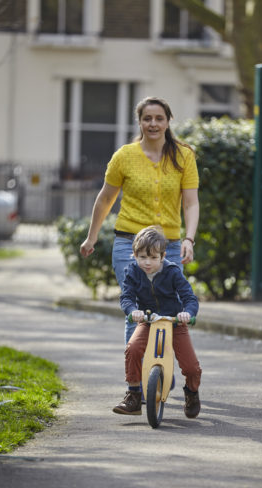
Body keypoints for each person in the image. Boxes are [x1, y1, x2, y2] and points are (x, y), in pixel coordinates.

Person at [80, 96, 199, 343]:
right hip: (129, 244)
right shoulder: (124, 156)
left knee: (168, 309)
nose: (153, 124)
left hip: (168, 247)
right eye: (147, 119)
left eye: (159, 118)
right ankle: (135, 376)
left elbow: (190, 202)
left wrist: (189, 238)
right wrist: (91, 238)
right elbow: (105, 200)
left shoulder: (184, 156)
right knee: (135, 311)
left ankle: (160, 368)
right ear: (140, 122)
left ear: (168, 122)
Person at [112, 225, 202, 418]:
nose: (147, 263)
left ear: (162, 256)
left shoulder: (172, 272)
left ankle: (192, 393)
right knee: (133, 348)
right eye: (142, 257)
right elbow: (126, 297)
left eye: (153, 257)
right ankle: (134, 395)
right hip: (148, 320)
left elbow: (189, 297)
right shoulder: (132, 272)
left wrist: (188, 313)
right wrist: (133, 311)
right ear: (135, 255)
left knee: (191, 367)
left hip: (175, 322)